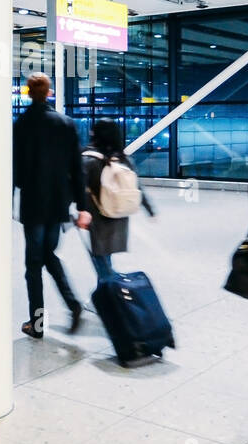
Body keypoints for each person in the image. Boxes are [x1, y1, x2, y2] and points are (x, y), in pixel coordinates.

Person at [13, 72, 91, 339]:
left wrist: (6, 201)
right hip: (58, 204)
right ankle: (72, 304)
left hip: (33, 204)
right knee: (47, 255)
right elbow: (77, 169)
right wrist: (83, 206)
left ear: (28, 92)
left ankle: (37, 323)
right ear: (49, 93)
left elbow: (14, 167)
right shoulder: (65, 123)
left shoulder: (21, 124)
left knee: (34, 265)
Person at [82, 119, 155, 288]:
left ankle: (112, 297)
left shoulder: (90, 159)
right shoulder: (124, 159)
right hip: (120, 212)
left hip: (99, 214)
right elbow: (137, 186)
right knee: (105, 257)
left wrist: (78, 210)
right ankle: (108, 292)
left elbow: (77, 185)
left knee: (101, 258)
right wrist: (150, 209)